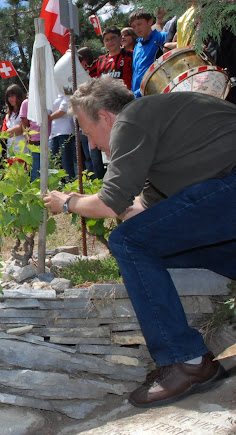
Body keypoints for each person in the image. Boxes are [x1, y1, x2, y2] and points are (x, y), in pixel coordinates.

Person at [43, 76, 234, 408]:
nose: (92, 144)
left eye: (87, 132)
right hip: (224, 195)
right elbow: (139, 210)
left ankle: (187, 361)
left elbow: (110, 203)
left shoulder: (132, 118)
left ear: (105, 116)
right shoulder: (159, 123)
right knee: (161, 247)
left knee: (130, 243)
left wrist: (68, 201)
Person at [130, 10, 167, 98]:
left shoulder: (162, 37)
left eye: (139, 24)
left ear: (150, 21)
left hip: (156, 92)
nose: (137, 29)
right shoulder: (137, 46)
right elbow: (135, 71)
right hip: (138, 94)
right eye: (133, 26)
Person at [18, 97, 51, 182]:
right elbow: (24, 124)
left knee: (51, 170)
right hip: (34, 142)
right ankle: (37, 193)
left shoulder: (48, 98)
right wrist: (28, 137)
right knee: (35, 171)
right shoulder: (26, 103)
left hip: (49, 139)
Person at [49, 93, 75, 182]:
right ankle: (60, 184)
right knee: (56, 162)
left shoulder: (67, 93)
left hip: (66, 131)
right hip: (54, 133)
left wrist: (49, 117)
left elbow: (63, 111)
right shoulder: (54, 94)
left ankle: (70, 183)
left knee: (66, 162)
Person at [1, 85, 26, 155]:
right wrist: (15, 130)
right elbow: (3, 135)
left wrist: (9, 131)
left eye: (12, 96)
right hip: (10, 152)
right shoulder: (7, 116)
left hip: (24, 151)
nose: (10, 99)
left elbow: (22, 128)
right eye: (8, 97)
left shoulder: (24, 110)